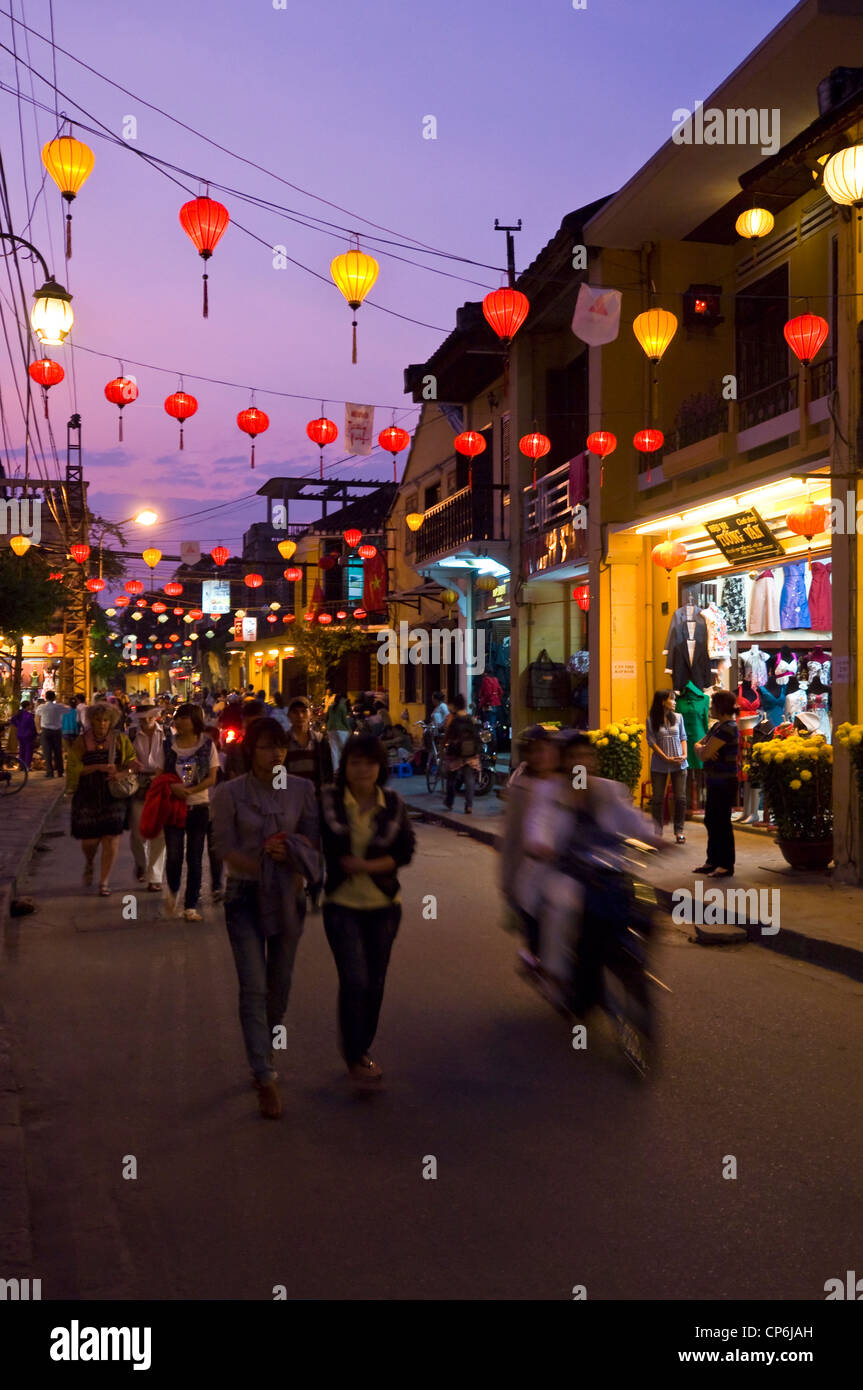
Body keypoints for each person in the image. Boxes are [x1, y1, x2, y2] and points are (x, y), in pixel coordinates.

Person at [210, 717, 321, 1119]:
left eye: (281, 746)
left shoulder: (303, 790)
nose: (275, 754)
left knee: (280, 985)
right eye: (266, 746)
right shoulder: (228, 795)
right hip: (245, 897)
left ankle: (265, 1043)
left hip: (288, 898)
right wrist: (264, 865)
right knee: (253, 986)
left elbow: (313, 842)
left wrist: (292, 856)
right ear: (249, 750)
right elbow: (225, 848)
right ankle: (264, 1072)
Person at [320, 735, 416, 1086]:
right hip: (341, 906)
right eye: (355, 763)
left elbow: (405, 851)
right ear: (344, 767)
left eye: (370, 763)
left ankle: (360, 1049)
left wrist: (365, 866)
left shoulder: (392, 803)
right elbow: (320, 843)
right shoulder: (329, 802)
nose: (363, 770)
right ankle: (355, 1055)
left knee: (375, 982)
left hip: (385, 908)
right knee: (355, 979)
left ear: (380, 767)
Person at [66, 702, 137, 895]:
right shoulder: (82, 741)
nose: (102, 724)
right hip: (87, 794)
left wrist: (122, 773)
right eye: (98, 720)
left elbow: (133, 763)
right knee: (89, 841)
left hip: (113, 794)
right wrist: (97, 768)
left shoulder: (120, 740)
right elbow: (73, 768)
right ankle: (89, 862)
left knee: (111, 837)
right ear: (91, 721)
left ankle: (104, 882)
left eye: (106, 720)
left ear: (111, 721)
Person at [162, 703, 220, 920]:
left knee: (195, 857)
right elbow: (160, 774)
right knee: (174, 855)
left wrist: (191, 791)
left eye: (183, 718)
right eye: (177, 718)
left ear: (194, 721)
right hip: (174, 808)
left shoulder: (207, 746)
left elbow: (212, 778)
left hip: (199, 807)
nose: (178, 722)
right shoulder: (168, 745)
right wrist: (173, 788)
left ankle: (190, 905)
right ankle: (174, 889)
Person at [693, 689, 739, 878]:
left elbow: (703, 753)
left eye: (713, 705)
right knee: (711, 820)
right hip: (714, 779)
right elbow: (698, 746)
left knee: (721, 822)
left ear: (721, 707)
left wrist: (703, 749)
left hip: (725, 781)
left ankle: (726, 864)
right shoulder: (716, 728)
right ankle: (712, 860)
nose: (710, 708)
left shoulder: (729, 728)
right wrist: (702, 748)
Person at [128, 704, 168, 892]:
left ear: (156, 716)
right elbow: (122, 758)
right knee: (138, 832)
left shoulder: (168, 733)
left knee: (159, 834)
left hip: (160, 784)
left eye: (149, 717)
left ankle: (155, 877)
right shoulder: (131, 734)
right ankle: (142, 864)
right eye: (142, 718)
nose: (146, 721)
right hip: (138, 784)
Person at [646, 689, 688, 844]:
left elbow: (683, 737)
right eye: (672, 699)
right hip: (659, 764)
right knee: (657, 798)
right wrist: (665, 758)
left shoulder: (678, 717)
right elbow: (651, 742)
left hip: (679, 763)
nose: (675, 702)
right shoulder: (651, 719)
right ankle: (657, 832)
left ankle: (679, 831)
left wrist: (684, 755)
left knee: (680, 798)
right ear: (663, 701)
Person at [441, 693, 480, 814]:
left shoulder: (453, 719)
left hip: (455, 753)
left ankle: (449, 802)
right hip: (470, 753)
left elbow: (448, 735)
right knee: (469, 779)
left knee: (451, 778)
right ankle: (469, 806)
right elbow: (476, 735)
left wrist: (442, 747)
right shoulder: (470, 718)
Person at [35, 690, 68, 778]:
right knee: (58, 752)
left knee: (47, 753)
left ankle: (50, 772)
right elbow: (68, 709)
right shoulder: (59, 707)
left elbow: (37, 719)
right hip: (57, 731)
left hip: (45, 731)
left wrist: (38, 730)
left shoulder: (41, 707)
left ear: (45, 697)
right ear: (54, 697)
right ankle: (60, 772)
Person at [324, 686, 353, 771]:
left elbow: (327, 718)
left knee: (334, 749)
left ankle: (335, 769)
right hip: (341, 729)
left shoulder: (330, 707)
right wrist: (349, 729)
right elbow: (344, 720)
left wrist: (327, 726)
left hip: (330, 729)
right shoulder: (342, 707)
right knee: (344, 748)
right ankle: (344, 767)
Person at [9, 701, 37, 769]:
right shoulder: (29, 715)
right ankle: (27, 766)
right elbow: (32, 726)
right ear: (27, 706)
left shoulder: (19, 713)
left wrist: (18, 725)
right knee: (28, 751)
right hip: (28, 734)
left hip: (20, 734)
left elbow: (12, 720)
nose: (31, 706)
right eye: (30, 705)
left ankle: (21, 766)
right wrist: (35, 733)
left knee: (22, 750)